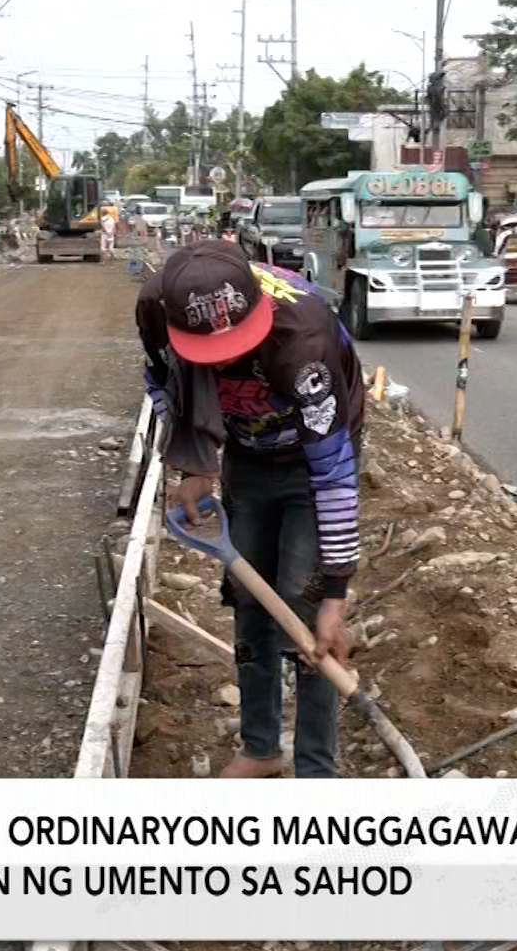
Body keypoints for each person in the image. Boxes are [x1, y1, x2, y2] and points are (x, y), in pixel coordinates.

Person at [138, 242, 365, 780]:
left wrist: (337, 591)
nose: (222, 361)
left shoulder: (302, 338)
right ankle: (261, 746)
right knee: (249, 598)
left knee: (307, 613)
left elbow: (333, 474)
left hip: (313, 460)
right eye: (208, 354)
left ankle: (316, 770)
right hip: (246, 453)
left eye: (235, 346)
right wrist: (198, 464)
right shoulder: (155, 306)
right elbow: (162, 381)